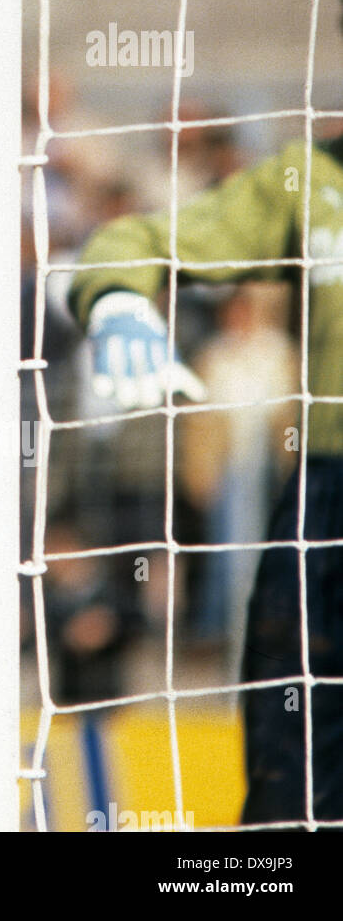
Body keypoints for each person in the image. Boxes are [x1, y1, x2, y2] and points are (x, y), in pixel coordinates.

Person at [68, 132, 343, 826]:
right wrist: (119, 300)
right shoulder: (310, 176)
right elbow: (137, 239)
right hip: (326, 504)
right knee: (299, 782)